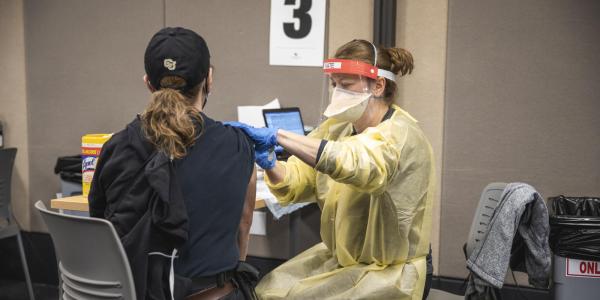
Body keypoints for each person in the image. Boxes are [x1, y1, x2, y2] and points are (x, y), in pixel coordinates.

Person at [227, 39, 435, 299]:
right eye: (334, 84)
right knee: (266, 291)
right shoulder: (336, 129)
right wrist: (270, 164)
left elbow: (354, 162)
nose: (337, 92)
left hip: (390, 271)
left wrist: (279, 136)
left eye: (346, 85)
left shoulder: (401, 136)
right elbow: (298, 181)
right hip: (345, 261)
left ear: (378, 86)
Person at [89, 27, 257, 300]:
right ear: (209, 79)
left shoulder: (117, 146)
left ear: (148, 83)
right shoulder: (238, 145)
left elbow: (98, 224)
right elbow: (244, 221)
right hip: (211, 292)